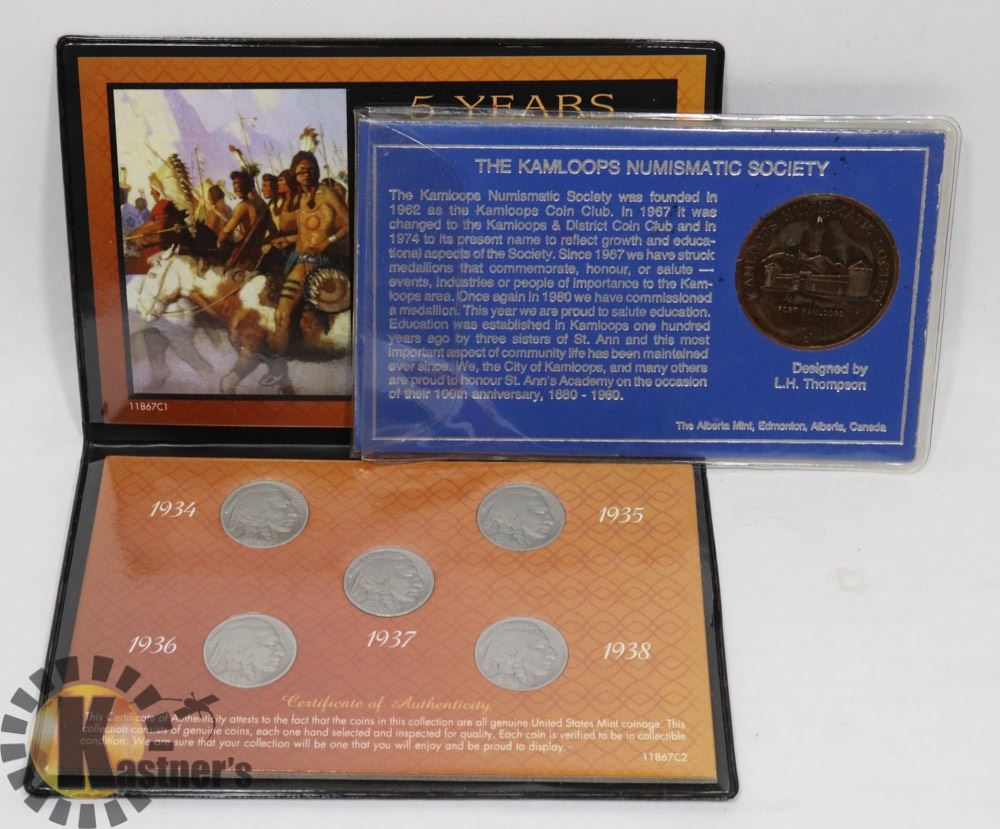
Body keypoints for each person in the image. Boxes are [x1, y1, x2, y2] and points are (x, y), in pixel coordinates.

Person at [266, 150, 350, 371]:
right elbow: (305, 235)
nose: (306, 174)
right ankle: (280, 369)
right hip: (300, 261)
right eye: (301, 171)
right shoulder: (303, 199)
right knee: (281, 312)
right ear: (295, 174)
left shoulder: (327, 193)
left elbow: (348, 223)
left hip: (321, 262)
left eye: (310, 169)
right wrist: (287, 240)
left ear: (316, 171)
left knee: (304, 313)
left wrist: (326, 243)